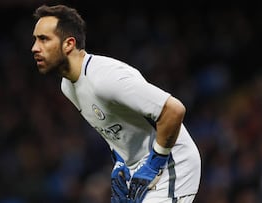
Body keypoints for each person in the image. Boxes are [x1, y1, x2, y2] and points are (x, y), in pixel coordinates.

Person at [31, 4, 201, 203]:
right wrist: (121, 162)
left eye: (44, 39)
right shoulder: (68, 86)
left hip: (173, 164)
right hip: (139, 167)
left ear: (68, 44)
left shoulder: (105, 78)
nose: (35, 47)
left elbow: (173, 110)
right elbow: (114, 125)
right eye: (35, 39)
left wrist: (154, 163)